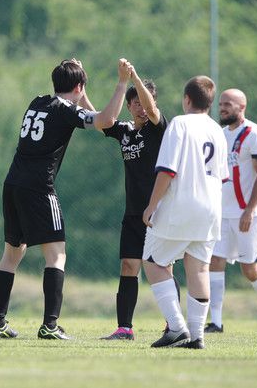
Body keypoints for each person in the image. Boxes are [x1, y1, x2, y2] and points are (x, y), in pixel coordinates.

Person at [0, 58, 131, 340]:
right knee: (57, 255)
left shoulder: (38, 102)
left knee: (12, 254)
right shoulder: (65, 110)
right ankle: (50, 325)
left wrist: (79, 84)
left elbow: (90, 114)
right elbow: (105, 121)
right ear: (78, 87)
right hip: (39, 188)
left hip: (13, 183)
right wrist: (121, 83)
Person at [142, 75, 228, 349]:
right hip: (210, 209)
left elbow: (168, 171)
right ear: (210, 103)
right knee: (199, 269)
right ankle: (198, 336)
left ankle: (178, 327)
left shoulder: (180, 123)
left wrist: (152, 205)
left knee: (152, 261)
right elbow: (222, 176)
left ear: (187, 99)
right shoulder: (217, 130)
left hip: (181, 206)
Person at [204, 89, 257, 334]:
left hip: (249, 213)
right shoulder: (220, 135)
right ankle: (216, 322)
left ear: (242, 106)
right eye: (220, 104)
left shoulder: (255, 135)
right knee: (215, 262)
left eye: (228, 104)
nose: (222, 108)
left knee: (249, 269)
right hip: (223, 212)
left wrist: (249, 210)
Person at [100, 71, 169, 340]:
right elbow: (101, 120)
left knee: (163, 268)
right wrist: (79, 93)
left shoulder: (157, 128)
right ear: (128, 106)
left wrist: (135, 78)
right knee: (129, 266)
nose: (141, 108)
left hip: (157, 211)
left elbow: (152, 111)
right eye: (136, 102)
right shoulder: (126, 131)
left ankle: (173, 325)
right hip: (132, 213)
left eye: (145, 101)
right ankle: (125, 328)